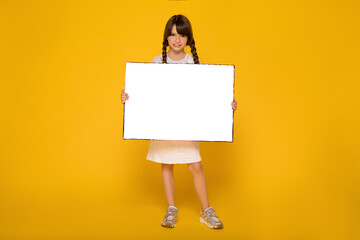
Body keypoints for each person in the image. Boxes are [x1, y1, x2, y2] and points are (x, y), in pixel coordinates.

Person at [121, 14, 237, 229]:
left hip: (187, 124)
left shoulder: (193, 63)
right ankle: (171, 208)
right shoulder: (157, 61)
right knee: (167, 164)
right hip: (163, 124)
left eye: (182, 35)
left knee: (195, 165)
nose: (177, 39)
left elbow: (205, 95)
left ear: (188, 40)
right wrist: (130, 98)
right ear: (166, 37)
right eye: (173, 34)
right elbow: (147, 92)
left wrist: (226, 105)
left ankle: (206, 210)